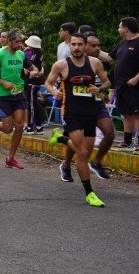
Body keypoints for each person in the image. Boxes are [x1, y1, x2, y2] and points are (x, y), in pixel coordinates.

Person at [45, 33, 110, 207]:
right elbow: (48, 82)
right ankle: (89, 193)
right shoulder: (61, 65)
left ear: (84, 45)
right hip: (71, 113)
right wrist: (53, 92)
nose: (76, 47)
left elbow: (107, 82)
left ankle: (60, 138)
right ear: (70, 46)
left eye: (80, 44)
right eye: (73, 44)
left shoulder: (94, 63)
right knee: (82, 153)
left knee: (85, 152)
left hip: (90, 112)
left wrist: (99, 88)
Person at [58, 34, 116, 181]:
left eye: (99, 46)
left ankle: (96, 162)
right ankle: (66, 165)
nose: (97, 49)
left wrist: (101, 90)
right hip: (76, 107)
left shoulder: (97, 62)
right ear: (86, 46)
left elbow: (107, 82)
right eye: (94, 46)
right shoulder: (69, 62)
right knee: (78, 142)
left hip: (96, 103)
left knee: (109, 133)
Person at [96, 17, 139, 153]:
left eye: (120, 26)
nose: (118, 29)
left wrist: (136, 78)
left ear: (126, 28)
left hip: (134, 85)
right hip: (121, 85)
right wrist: (95, 50)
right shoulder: (122, 43)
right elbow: (109, 57)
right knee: (125, 113)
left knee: (137, 113)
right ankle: (127, 141)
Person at [0, 28, 33, 169]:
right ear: (10, 41)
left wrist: (35, 71)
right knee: (8, 128)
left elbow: (31, 67)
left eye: (21, 42)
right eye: (17, 41)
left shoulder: (21, 54)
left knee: (19, 125)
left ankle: (11, 158)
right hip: (2, 95)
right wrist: (2, 82)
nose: (20, 44)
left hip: (18, 94)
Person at [23, 35, 46, 135]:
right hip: (36, 83)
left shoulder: (33, 56)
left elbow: (29, 70)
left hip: (32, 83)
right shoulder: (40, 55)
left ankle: (30, 126)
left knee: (31, 105)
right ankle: (39, 126)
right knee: (34, 104)